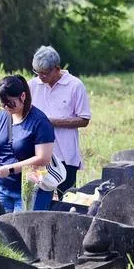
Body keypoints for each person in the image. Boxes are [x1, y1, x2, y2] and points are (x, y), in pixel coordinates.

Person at [0, 75, 56, 212]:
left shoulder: (40, 121)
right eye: (2, 103)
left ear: (23, 96)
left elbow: (43, 158)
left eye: (10, 103)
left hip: (32, 188)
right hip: (1, 187)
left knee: (24, 230)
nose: (6, 107)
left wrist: (10, 169)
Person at [28, 46, 91, 194]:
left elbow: (84, 120)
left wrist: (51, 122)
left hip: (66, 153)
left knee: (66, 196)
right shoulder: (32, 85)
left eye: (44, 73)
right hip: (39, 153)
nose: (40, 77)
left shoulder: (75, 85)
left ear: (56, 69)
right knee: (38, 195)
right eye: (37, 73)